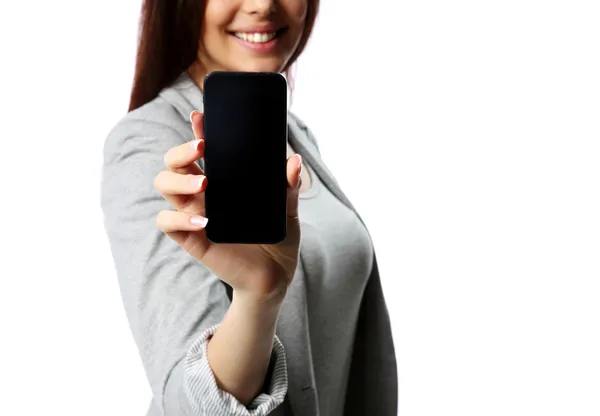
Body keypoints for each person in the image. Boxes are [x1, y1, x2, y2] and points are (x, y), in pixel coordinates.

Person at [100, 0, 397, 415]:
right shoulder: (150, 143)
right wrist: (259, 296)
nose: (263, 4)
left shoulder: (294, 134)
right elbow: (187, 402)